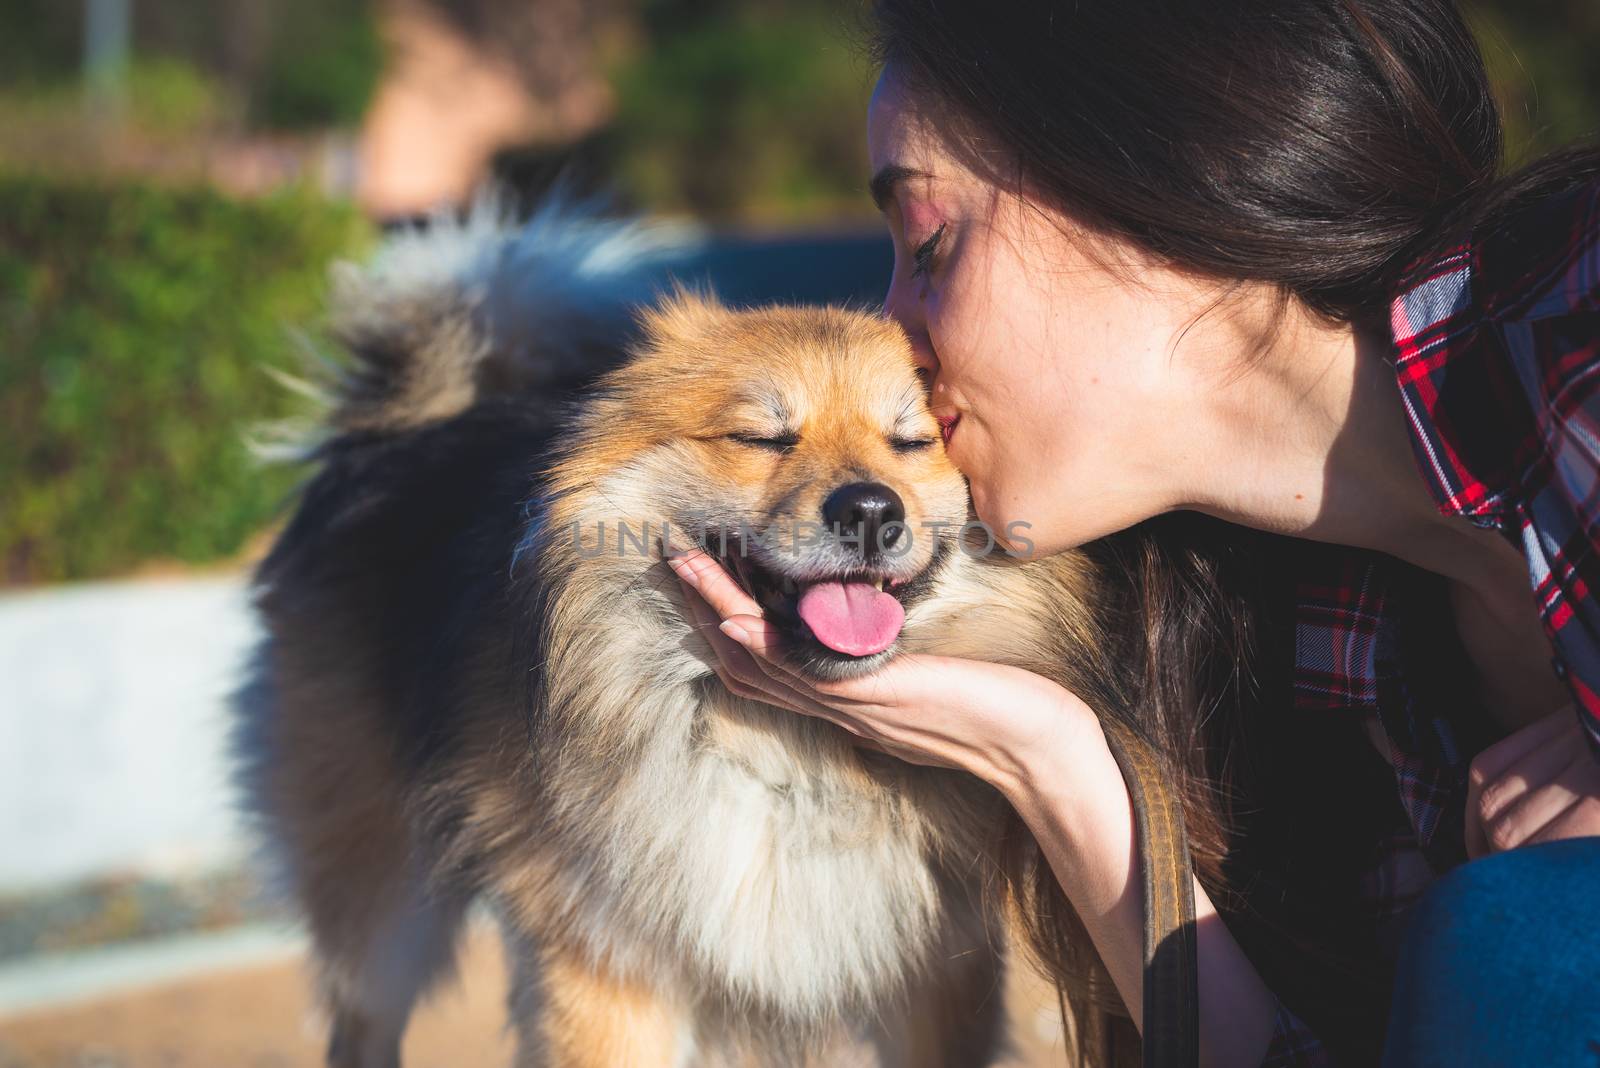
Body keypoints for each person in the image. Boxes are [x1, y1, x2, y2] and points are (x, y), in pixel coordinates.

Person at [666, 1, 1600, 1064]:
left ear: (1153, 177)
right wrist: (1052, 762)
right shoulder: (1275, 652)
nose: (895, 332)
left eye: (930, 243)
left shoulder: (1572, 310)